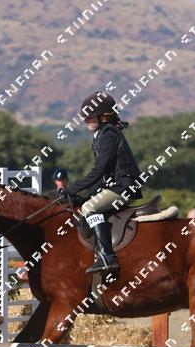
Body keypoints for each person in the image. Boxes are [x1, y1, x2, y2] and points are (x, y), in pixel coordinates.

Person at [60, 92, 142, 275]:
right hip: (115, 185)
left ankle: (107, 257)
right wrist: (83, 195)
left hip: (124, 187)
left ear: (104, 117)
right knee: (84, 203)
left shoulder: (109, 135)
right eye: (84, 117)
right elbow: (102, 177)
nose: (85, 120)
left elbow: (99, 171)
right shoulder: (100, 135)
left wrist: (70, 189)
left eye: (89, 117)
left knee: (90, 207)